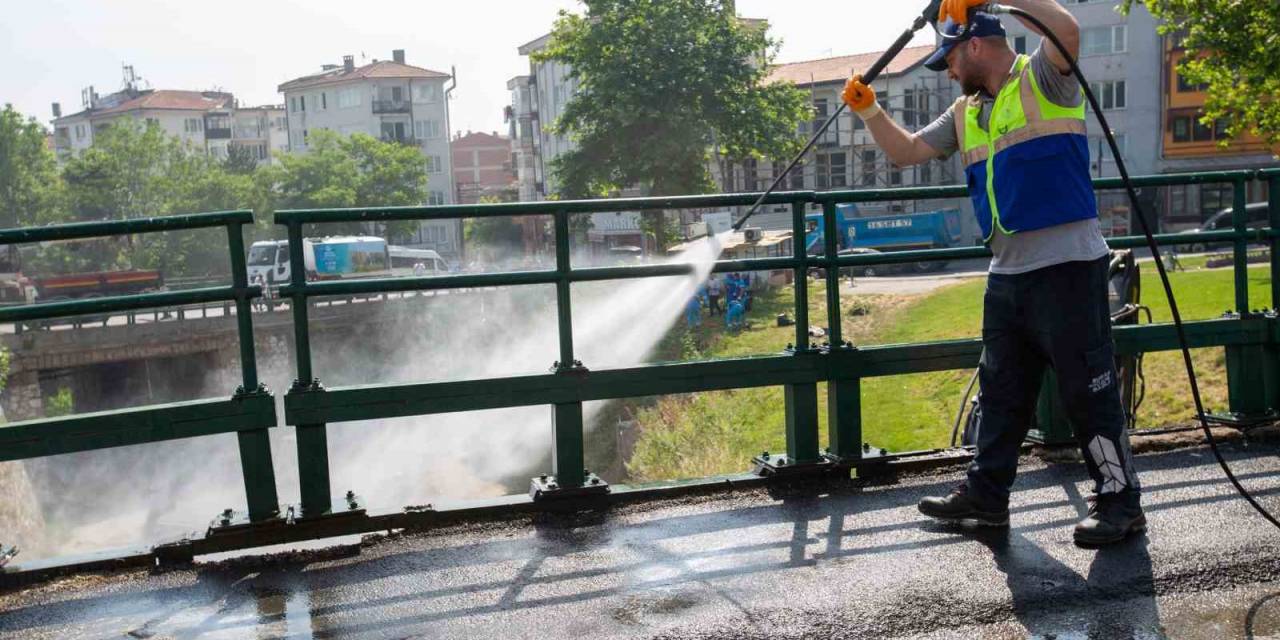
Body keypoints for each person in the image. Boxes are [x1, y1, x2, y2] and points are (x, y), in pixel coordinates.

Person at [842, 0, 1143, 546]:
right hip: (1007, 274)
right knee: (1001, 391)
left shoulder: (1045, 78)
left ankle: (1121, 503)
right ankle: (987, 497)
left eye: (950, 60)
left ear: (975, 45)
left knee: (1087, 392)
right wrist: (868, 111)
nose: (949, 71)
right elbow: (907, 152)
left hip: (1069, 267)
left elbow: (1067, 27)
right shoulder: (966, 112)